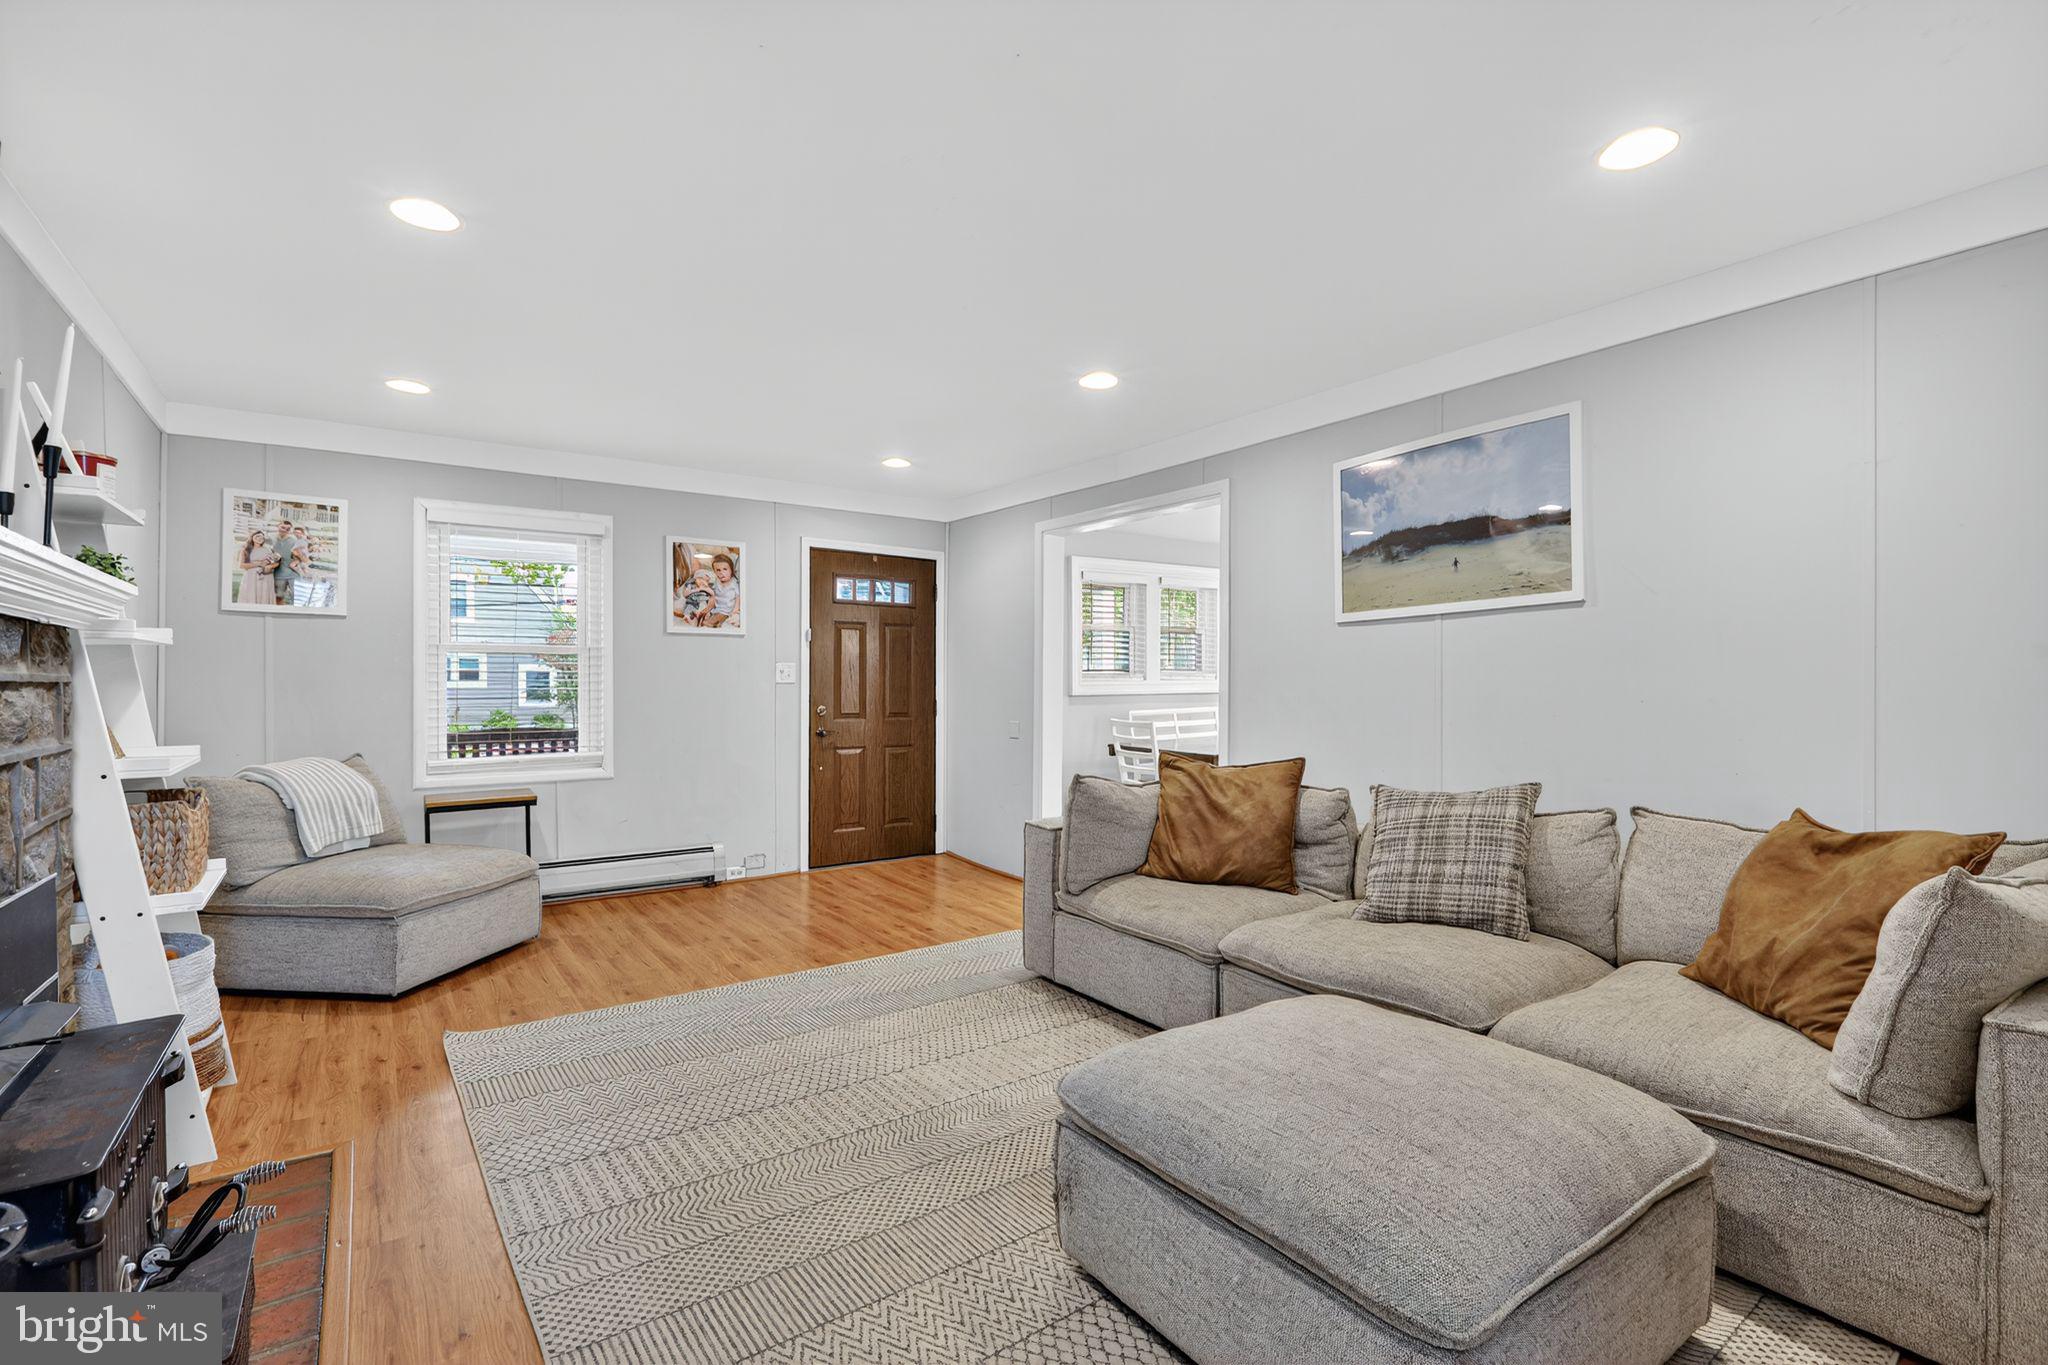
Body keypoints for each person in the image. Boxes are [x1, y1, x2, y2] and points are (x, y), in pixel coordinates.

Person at [237, 529, 279, 605]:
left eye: (262, 537)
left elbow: (276, 563)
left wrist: (270, 566)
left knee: (264, 596)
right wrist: (259, 564)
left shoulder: (268, 550)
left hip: (266, 577)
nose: (260, 538)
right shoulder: (245, 550)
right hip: (251, 578)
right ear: (252, 537)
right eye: (257, 536)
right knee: (251, 596)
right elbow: (241, 565)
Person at [270, 518, 305, 606]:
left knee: (297, 597)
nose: (285, 530)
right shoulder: (271, 539)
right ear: (278, 526)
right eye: (282, 527)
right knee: (279, 597)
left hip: (293, 573)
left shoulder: (294, 541)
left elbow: (302, 557)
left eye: (288, 529)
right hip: (278, 574)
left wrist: (296, 561)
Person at [704, 552, 741, 628]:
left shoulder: (733, 582)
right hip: (716, 609)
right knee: (704, 618)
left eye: (725, 569)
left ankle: (714, 623)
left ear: (731, 570)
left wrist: (735, 610)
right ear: (714, 571)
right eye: (718, 570)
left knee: (709, 623)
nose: (721, 573)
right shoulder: (717, 581)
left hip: (726, 611)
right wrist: (708, 608)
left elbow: (738, 597)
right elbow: (714, 595)